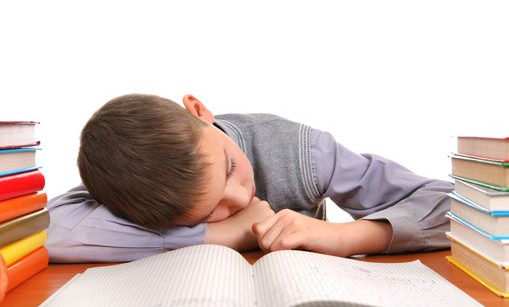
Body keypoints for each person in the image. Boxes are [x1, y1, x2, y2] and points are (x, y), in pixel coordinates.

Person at [46, 93, 453, 262]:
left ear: (198, 111)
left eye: (229, 169)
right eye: (209, 213)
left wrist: (348, 237)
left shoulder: (301, 152)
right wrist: (222, 235)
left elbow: (453, 208)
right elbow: (49, 231)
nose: (239, 200)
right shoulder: (138, 187)